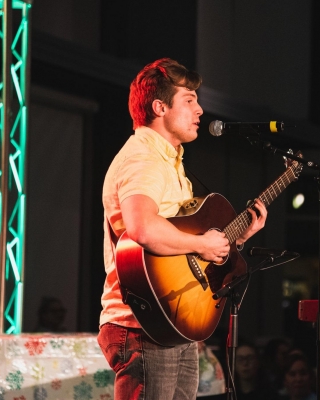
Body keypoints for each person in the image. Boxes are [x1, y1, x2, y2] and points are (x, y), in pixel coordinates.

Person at [97, 58, 268, 400]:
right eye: (189, 99)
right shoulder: (143, 159)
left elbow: (183, 243)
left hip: (172, 320)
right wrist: (202, 245)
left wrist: (233, 240)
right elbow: (143, 228)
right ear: (159, 106)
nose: (200, 109)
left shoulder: (169, 162)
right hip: (142, 324)